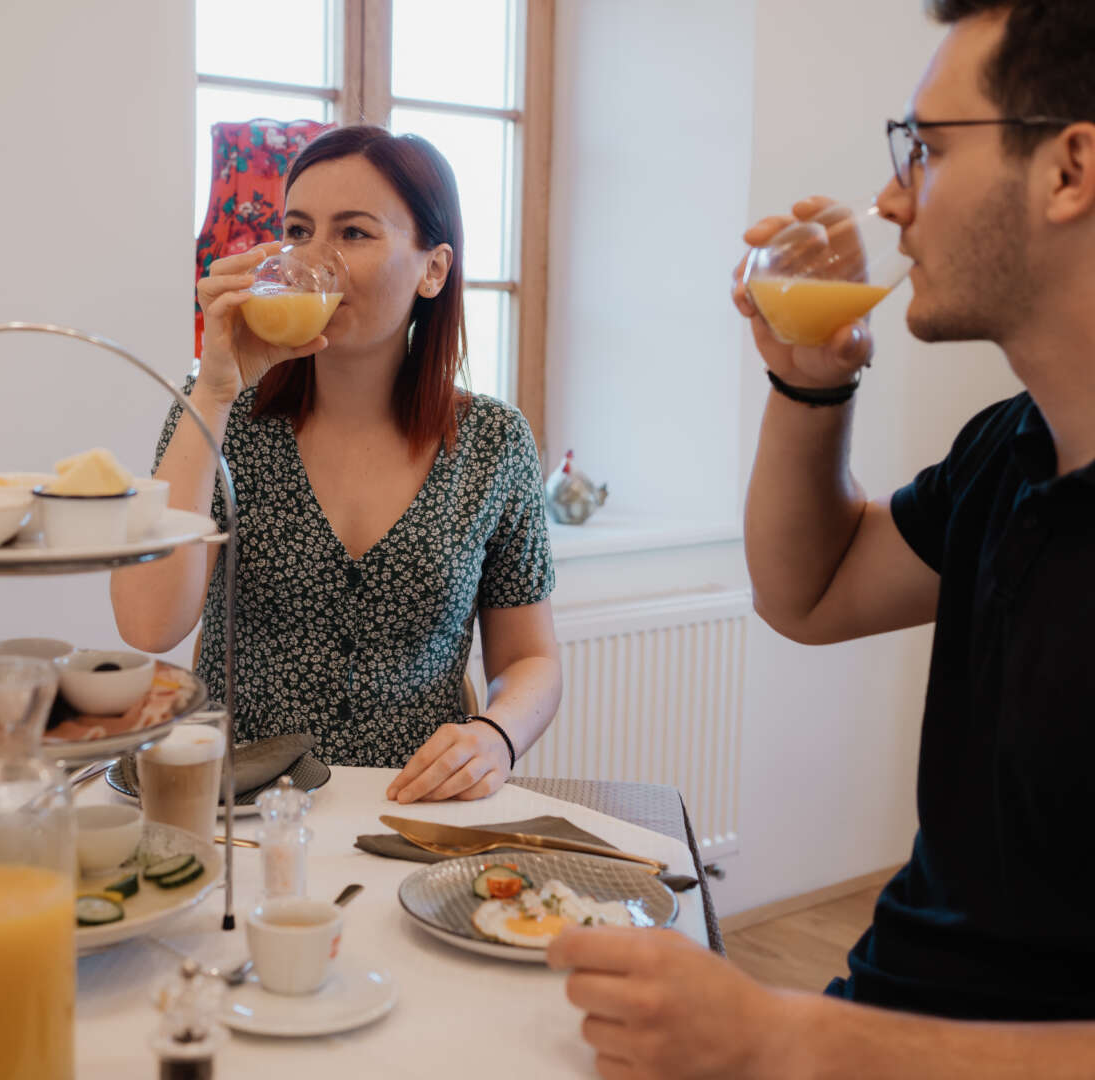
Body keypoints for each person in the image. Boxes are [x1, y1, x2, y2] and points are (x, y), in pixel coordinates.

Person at [550, 1, 1095, 1075]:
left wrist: (786, 1039)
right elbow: (809, 590)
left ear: (1071, 168)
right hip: (883, 1013)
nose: (892, 199)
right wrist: (812, 379)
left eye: (926, 151)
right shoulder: (1011, 450)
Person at [112, 125, 562, 804]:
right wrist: (213, 390)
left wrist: (496, 735)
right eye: (297, 231)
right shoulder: (221, 415)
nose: (314, 259)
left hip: (412, 807)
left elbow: (531, 657)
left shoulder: (493, 442)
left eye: (353, 233)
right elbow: (149, 626)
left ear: (433, 269)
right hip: (239, 808)